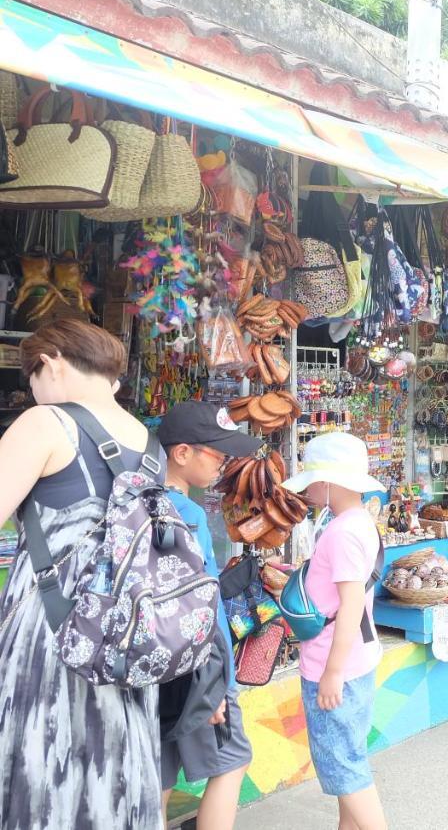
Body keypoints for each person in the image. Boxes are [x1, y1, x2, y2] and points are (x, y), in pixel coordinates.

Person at [0, 319, 165, 828]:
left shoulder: (45, 422)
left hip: (52, 628)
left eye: (31, 377)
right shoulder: (147, 440)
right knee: (110, 766)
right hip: (122, 630)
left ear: (49, 364)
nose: (32, 390)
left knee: (43, 758)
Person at [158, 402, 263, 829]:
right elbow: (197, 603)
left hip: (158, 662)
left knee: (158, 771)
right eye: (216, 455)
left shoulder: (136, 503)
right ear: (182, 453)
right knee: (233, 761)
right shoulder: (189, 513)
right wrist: (214, 681)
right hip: (200, 662)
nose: (222, 464)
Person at [279, 432, 388, 830]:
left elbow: (350, 605)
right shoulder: (359, 524)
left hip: (335, 662)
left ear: (327, 484)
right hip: (357, 657)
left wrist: (332, 672)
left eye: (311, 480)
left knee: (346, 771)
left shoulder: (342, 533)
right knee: (348, 766)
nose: (306, 488)